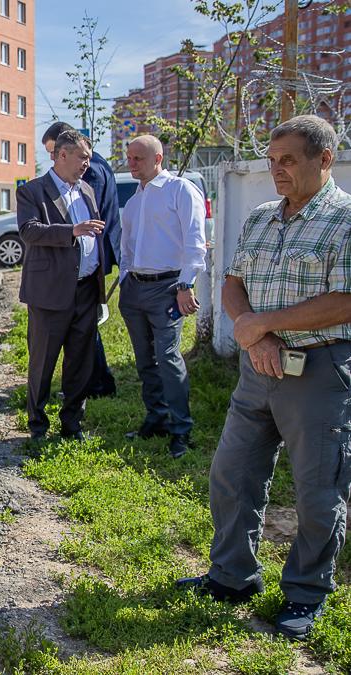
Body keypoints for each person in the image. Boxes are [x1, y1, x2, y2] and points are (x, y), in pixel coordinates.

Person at [177, 115, 351, 640]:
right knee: (231, 474)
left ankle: (305, 592)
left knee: (319, 492)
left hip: (320, 371)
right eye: (272, 161)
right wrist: (257, 336)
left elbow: (345, 300)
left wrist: (266, 324)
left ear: (325, 159)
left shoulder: (344, 219)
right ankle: (232, 576)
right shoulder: (259, 217)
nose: (276, 171)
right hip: (259, 367)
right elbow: (232, 282)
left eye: (288, 161)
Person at [119, 135, 207, 459]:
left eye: (137, 158)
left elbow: (196, 242)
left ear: (158, 158)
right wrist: (127, 277)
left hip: (167, 289)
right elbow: (126, 246)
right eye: (129, 158)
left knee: (169, 359)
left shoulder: (179, 190)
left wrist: (186, 285)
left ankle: (181, 430)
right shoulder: (134, 201)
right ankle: (156, 418)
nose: (131, 164)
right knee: (145, 360)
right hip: (135, 289)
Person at [17, 129, 105, 442]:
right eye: (82, 158)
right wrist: (73, 230)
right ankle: (37, 426)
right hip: (50, 292)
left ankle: (72, 424)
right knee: (43, 361)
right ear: (62, 155)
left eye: (89, 159)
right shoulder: (33, 191)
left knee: (81, 361)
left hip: (85, 290)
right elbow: (29, 231)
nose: (87, 164)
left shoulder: (87, 190)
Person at [41, 122, 119, 398]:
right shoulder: (98, 163)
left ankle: (97, 382)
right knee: (86, 326)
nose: (52, 159)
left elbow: (82, 217)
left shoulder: (89, 172)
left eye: (53, 152)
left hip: (88, 259)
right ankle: (95, 381)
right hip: (87, 257)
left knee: (85, 328)